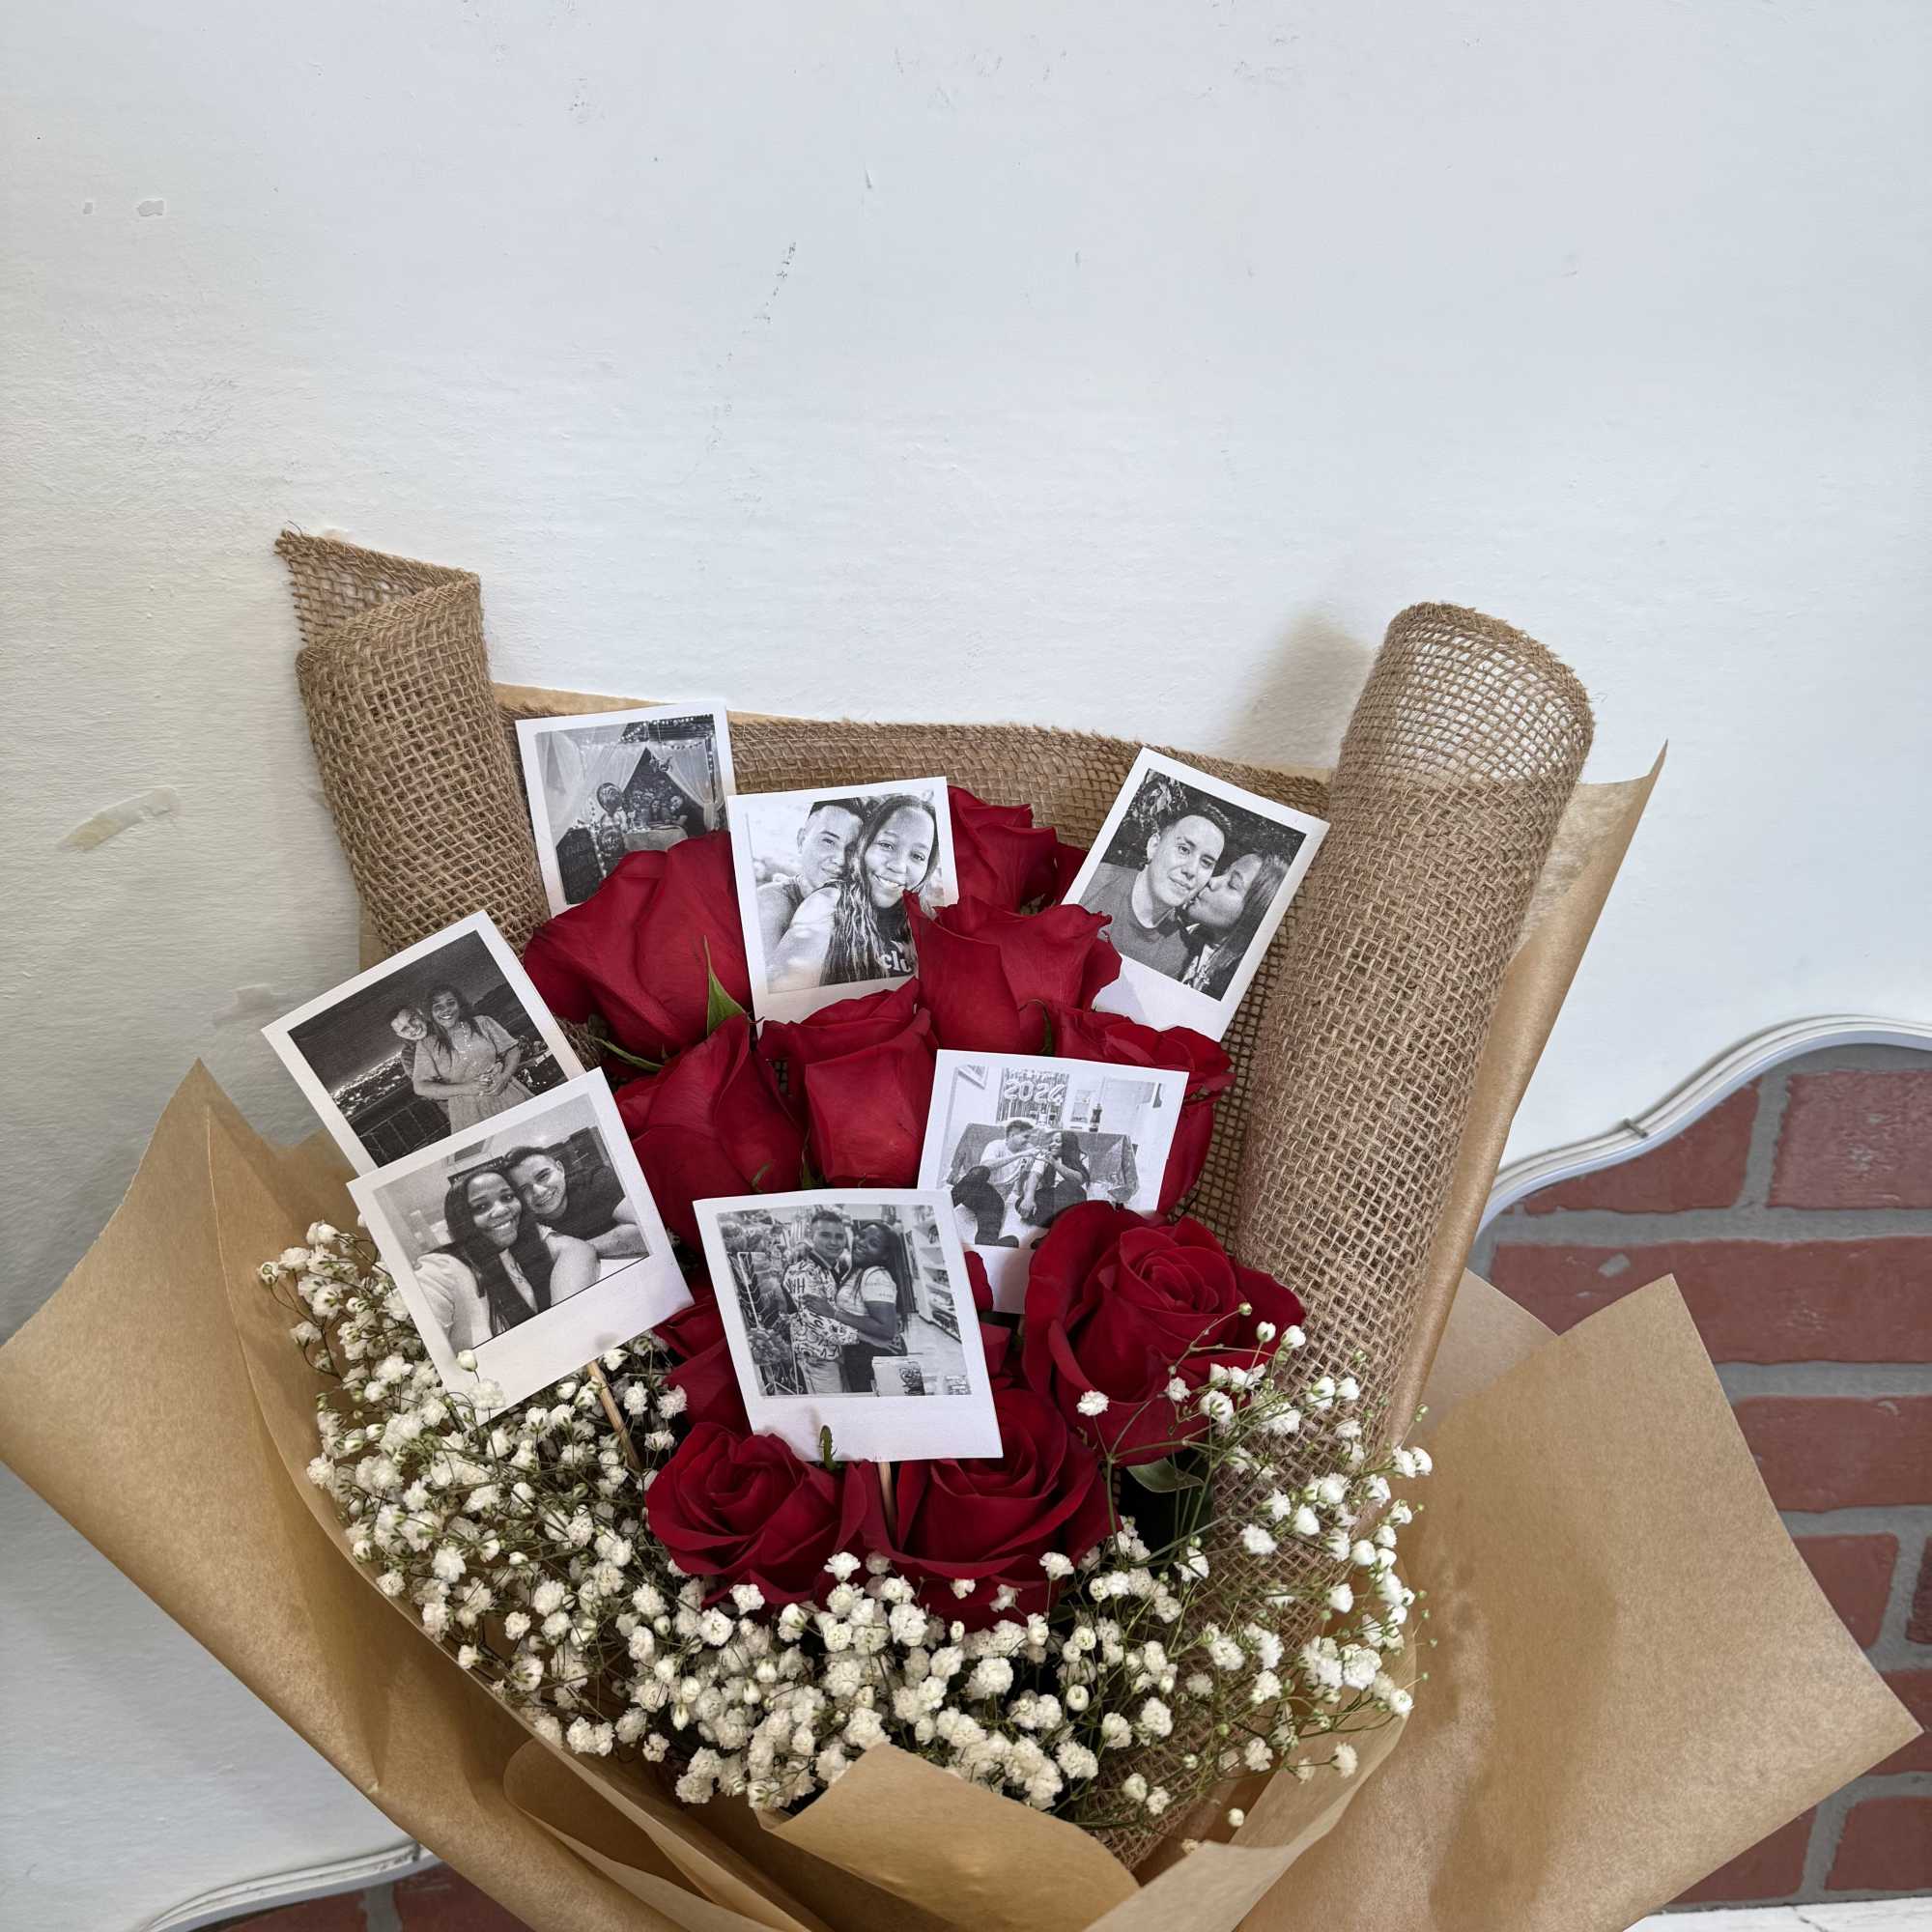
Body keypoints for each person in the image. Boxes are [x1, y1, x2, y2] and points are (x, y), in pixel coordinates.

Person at [413, 1167, 599, 1355]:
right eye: (481, 1207)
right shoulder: (439, 1270)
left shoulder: (520, 1243)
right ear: (462, 1218)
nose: (502, 1209)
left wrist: (562, 1321)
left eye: (507, 1197)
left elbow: (578, 1248)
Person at [768, 793, 940, 992]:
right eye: (887, 845)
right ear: (865, 844)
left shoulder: (928, 919)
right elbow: (783, 997)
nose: (898, 866)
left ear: (928, 866)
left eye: (917, 856)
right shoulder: (828, 904)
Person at [1078, 800, 1231, 978]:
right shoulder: (1093, 881)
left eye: (1206, 862)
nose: (1191, 870)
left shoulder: (1180, 953)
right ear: (1154, 846)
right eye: (1183, 849)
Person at [411, 984, 534, 1130]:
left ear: (459, 1004)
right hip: (468, 1112)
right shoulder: (427, 1045)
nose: (446, 1010)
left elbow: (512, 1050)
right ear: (430, 1013)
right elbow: (420, 1086)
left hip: (506, 1093)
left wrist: (504, 1077)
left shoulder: (482, 1023)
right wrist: (467, 1088)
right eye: (438, 1007)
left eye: (451, 1003)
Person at [756, 796, 867, 956]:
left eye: (851, 850)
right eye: (828, 841)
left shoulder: (854, 907)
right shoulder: (771, 903)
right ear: (801, 840)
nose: (841, 859)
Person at [808, 1221, 906, 1395]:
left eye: (873, 1244)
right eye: (861, 1235)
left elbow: (886, 1328)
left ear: (884, 1255)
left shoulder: (876, 1275)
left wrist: (834, 1314)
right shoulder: (857, 1268)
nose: (862, 1243)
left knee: (877, 1408)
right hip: (862, 1352)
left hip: (873, 1356)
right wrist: (805, 1246)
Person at [501, 1143, 646, 1259]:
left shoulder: (595, 1180)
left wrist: (574, 1254)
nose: (539, 1191)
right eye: (524, 1189)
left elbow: (646, 1231)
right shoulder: (525, 1222)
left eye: (543, 1176)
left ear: (561, 1169)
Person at [1179, 849, 1291, 1000]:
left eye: (1232, 884)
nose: (1213, 880)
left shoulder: (1241, 987)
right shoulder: (1180, 937)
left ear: (1255, 912)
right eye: (1224, 872)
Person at [778, 1208, 851, 1397]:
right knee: (835, 1412)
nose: (834, 1242)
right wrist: (869, 1335)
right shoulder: (801, 1271)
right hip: (819, 1358)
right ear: (811, 1236)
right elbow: (816, 1321)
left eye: (839, 1236)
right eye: (825, 1235)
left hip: (836, 1354)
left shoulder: (830, 1267)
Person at [1019, 1131, 1092, 1229]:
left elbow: (1078, 1180)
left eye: (1057, 1141)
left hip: (1072, 1197)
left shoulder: (1082, 1156)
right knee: (1021, 1203)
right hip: (1052, 1196)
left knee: (1065, 1186)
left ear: (1067, 1143)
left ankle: (1057, 1224)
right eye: (1052, 1141)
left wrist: (1055, 1163)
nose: (1052, 1144)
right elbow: (1034, 1175)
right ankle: (1061, 1221)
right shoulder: (1046, 1154)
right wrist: (1028, 1198)